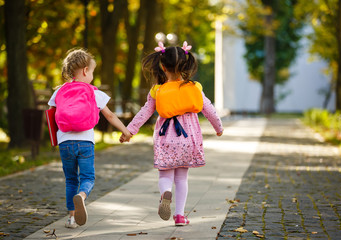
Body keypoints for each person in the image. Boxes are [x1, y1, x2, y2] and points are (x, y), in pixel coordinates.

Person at [122, 41, 223, 226]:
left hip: (165, 137)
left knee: (165, 175)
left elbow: (145, 112)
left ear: (162, 65)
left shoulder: (158, 90)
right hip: (188, 138)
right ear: (185, 65)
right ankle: (179, 216)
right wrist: (218, 128)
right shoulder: (195, 87)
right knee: (182, 178)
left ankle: (165, 193)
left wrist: (130, 131)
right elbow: (209, 110)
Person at [48, 48, 131, 229]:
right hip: (85, 142)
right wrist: (125, 131)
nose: (92, 75)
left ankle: (71, 219)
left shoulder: (59, 91)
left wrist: (53, 138)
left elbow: (49, 115)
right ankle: (82, 196)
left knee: (71, 180)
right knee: (87, 178)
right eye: (92, 71)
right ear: (85, 70)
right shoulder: (93, 92)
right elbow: (109, 116)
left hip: (64, 143)